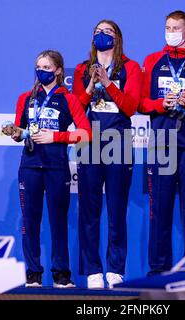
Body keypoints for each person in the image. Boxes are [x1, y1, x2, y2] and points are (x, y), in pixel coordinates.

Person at [138, 10, 185, 275]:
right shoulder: (153, 60)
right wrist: (161, 104)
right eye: (167, 27)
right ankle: (158, 269)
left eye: (176, 28)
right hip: (161, 142)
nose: (170, 32)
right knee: (159, 207)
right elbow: (140, 103)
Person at [10, 50, 92, 288]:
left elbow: (85, 133)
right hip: (30, 167)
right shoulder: (25, 98)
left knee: (58, 222)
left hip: (56, 168)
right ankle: (33, 274)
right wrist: (15, 132)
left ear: (58, 71)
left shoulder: (69, 99)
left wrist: (56, 137)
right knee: (30, 222)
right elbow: (18, 130)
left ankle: (61, 275)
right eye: (38, 67)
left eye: (46, 67)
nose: (41, 71)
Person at [73, 19, 142, 288]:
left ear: (118, 38)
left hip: (118, 141)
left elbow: (131, 106)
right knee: (89, 210)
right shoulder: (81, 69)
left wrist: (108, 82)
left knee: (116, 209)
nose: (102, 35)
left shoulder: (131, 67)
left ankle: (115, 269)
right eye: (98, 32)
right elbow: (77, 108)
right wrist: (92, 84)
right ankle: (92, 270)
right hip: (89, 142)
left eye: (108, 31)